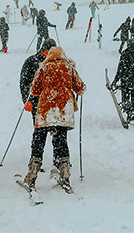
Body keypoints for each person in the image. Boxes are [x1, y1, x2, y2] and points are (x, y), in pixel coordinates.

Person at [22, 46, 85, 191]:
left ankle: (32, 174)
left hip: (46, 108)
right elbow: (80, 88)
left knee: (39, 139)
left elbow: (35, 90)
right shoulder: (69, 68)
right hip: (64, 109)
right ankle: (65, 172)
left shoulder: (44, 68)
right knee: (60, 139)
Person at [20, 38, 57, 123]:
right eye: (50, 52)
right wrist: (26, 100)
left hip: (53, 100)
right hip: (36, 100)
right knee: (39, 126)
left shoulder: (55, 62)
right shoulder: (31, 62)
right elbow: (24, 82)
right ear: (44, 50)